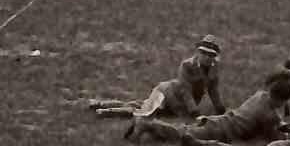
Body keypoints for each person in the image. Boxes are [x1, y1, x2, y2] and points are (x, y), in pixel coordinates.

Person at [91, 35, 225, 125]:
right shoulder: (187, 65)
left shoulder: (214, 68)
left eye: (211, 55)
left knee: (142, 105)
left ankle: (100, 103)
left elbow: (213, 90)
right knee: (145, 113)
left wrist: (221, 110)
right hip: (167, 94)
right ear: (197, 52)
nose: (207, 57)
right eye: (204, 53)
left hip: (180, 104)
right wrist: (195, 114)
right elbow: (186, 91)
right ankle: (107, 112)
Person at [136, 78, 290, 146]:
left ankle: (151, 132)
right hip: (221, 131)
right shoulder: (267, 115)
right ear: (280, 100)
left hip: (219, 122)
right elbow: (273, 137)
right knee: (182, 134)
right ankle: (148, 124)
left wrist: (281, 123)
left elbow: (273, 117)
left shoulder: (260, 95)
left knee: (182, 131)